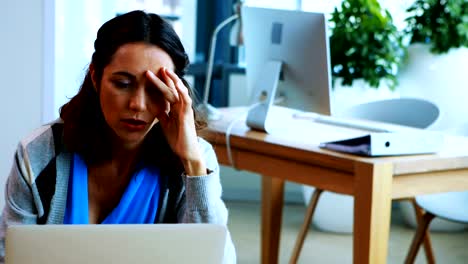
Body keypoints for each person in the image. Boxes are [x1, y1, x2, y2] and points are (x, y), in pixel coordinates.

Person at [0, 10, 236, 263]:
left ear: (174, 92)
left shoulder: (196, 161)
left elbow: (214, 258)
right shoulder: (38, 153)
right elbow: (10, 256)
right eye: (123, 84)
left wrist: (192, 164)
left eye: (156, 88)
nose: (138, 104)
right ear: (95, 77)